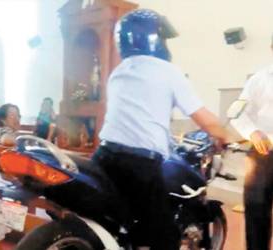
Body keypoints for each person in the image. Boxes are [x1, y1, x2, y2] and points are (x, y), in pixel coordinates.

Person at [92, 9, 229, 250]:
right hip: (139, 165)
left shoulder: (119, 72)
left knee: (117, 219)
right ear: (154, 39)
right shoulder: (167, 71)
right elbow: (203, 118)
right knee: (163, 236)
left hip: (104, 156)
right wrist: (224, 136)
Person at [231, 36, 273, 250]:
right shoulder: (259, 79)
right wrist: (253, 132)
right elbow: (236, 112)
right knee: (257, 211)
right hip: (263, 152)